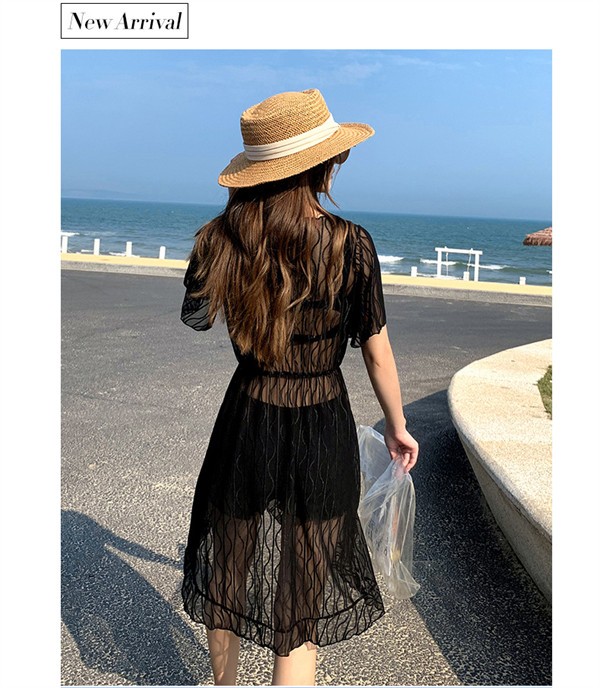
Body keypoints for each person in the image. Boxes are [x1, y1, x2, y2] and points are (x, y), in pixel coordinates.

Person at [180, 88, 419, 686]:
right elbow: (376, 351)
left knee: (228, 571)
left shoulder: (221, 237)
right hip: (321, 419)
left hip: (248, 416)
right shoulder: (349, 243)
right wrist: (397, 426)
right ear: (322, 164)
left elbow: (199, 312)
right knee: (301, 595)